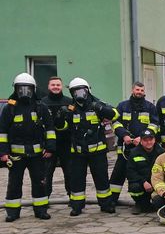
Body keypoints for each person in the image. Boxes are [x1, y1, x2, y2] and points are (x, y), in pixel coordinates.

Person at [55, 77, 119, 216]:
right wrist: (60, 118)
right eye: (76, 92)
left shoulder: (97, 104)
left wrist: (101, 108)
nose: (79, 95)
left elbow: (115, 114)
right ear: (72, 93)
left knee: (101, 179)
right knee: (76, 180)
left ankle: (106, 204)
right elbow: (63, 128)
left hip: (98, 151)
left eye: (82, 91)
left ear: (87, 90)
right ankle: (77, 206)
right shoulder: (71, 108)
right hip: (78, 152)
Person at [0, 73, 56, 222]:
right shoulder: (9, 108)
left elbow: (50, 129)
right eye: (21, 88)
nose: (24, 92)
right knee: (14, 184)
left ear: (33, 89)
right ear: (16, 89)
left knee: (40, 183)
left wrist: (50, 148)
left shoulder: (41, 106)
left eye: (28, 88)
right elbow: (2, 132)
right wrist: (3, 152)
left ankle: (41, 210)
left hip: (37, 155)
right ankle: (12, 212)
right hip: (16, 156)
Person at [110, 82, 159, 207]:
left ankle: (143, 201)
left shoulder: (150, 107)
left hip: (143, 148)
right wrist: (124, 135)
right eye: (137, 89)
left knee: (143, 173)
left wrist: (142, 138)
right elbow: (115, 122)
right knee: (118, 175)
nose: (139, 92)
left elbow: (155, 125)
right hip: (125, 150)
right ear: (132, 90)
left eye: (142, 90)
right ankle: (111, 201)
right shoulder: (122, 106)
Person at [40, 76, 72, 200]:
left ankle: (73, 198)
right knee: (46, 173)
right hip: (48, 146)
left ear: (61, 86)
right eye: (53, 85)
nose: (55, 87)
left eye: (58, 85)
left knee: (69, 172)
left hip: (66, 144)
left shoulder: (69, 102)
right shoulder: (42, 102)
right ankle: (44, 198)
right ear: (48, 86)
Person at [126, 129, 164, 215]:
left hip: (157, 182)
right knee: (134, 187)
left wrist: (157, 183)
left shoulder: (161, 152)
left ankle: (159, 204)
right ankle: (139, 204)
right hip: (142, 183)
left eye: (150, 139)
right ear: (141, 141)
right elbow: (130, 172)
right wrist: (143, 182)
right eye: (145, 140)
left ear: (154, 140)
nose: (148, 142)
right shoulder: (134, 153)